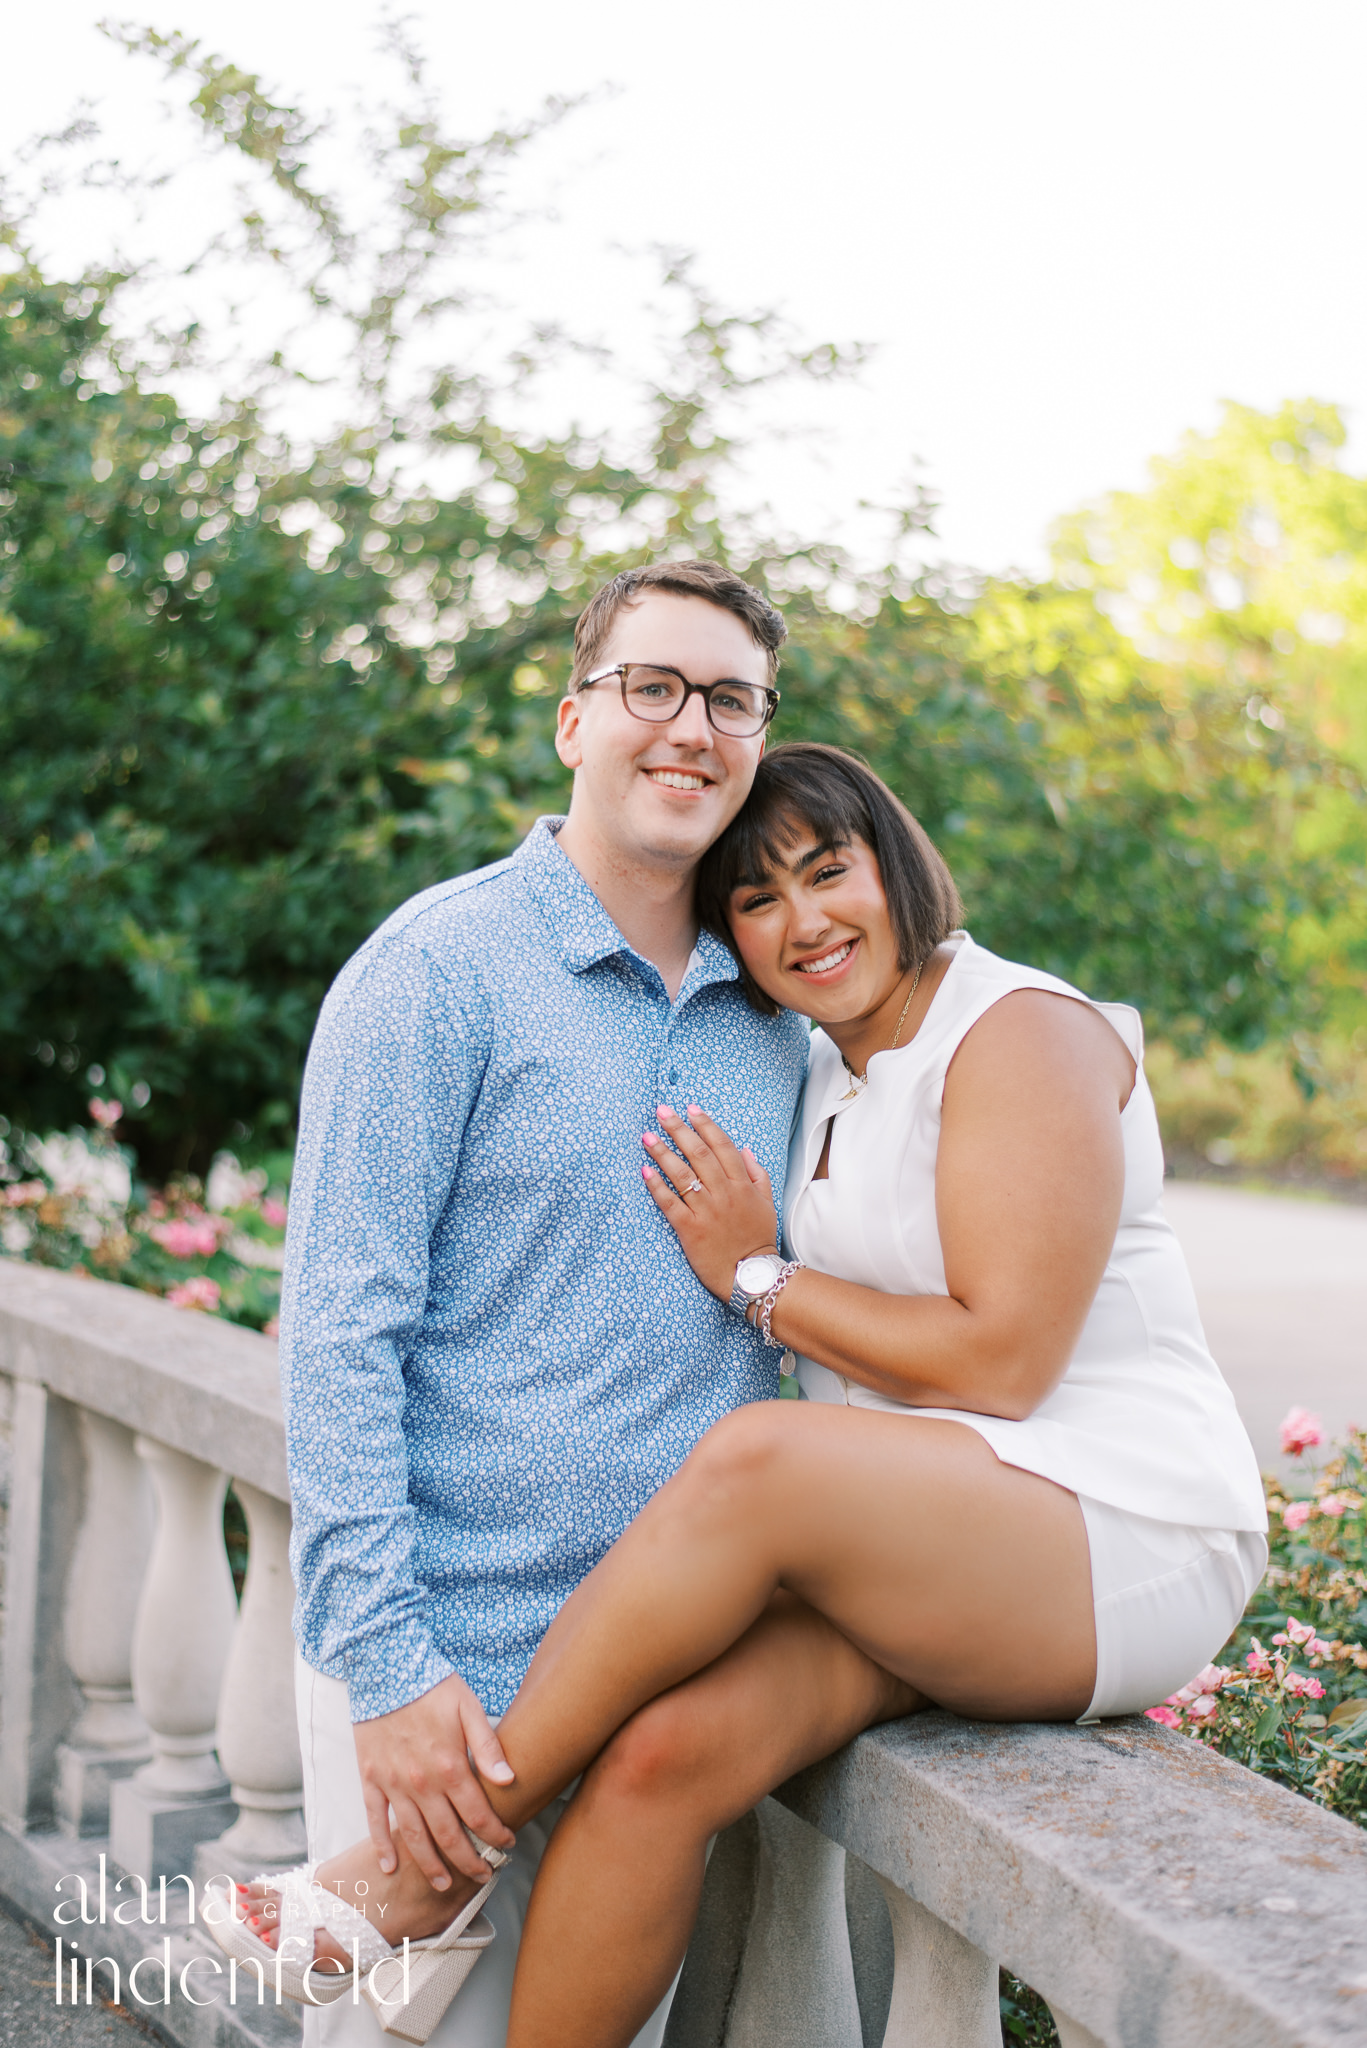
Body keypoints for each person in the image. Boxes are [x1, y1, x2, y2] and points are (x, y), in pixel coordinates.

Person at [229, 743, 1268, 2048]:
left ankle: (431, 1866)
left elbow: (1005, 1364)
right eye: (758, 901)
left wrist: (756, 1275)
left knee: (758, 1455)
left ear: (897, 864)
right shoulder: (818, 1063)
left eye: (829, 874)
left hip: (1117, 1526)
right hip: (929, 1553)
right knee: (659, 1763)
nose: (804, 923)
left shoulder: (1019, 1031)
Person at [246, 562, 811, 2046]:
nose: (692, 727)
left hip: (660, 1701)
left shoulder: (780, 1007)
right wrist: (389, 1670)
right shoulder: (435, 971)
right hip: (449, 1681)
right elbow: (339, 1332)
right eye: (654, 687)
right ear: (575, 721)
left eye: (732, 700)